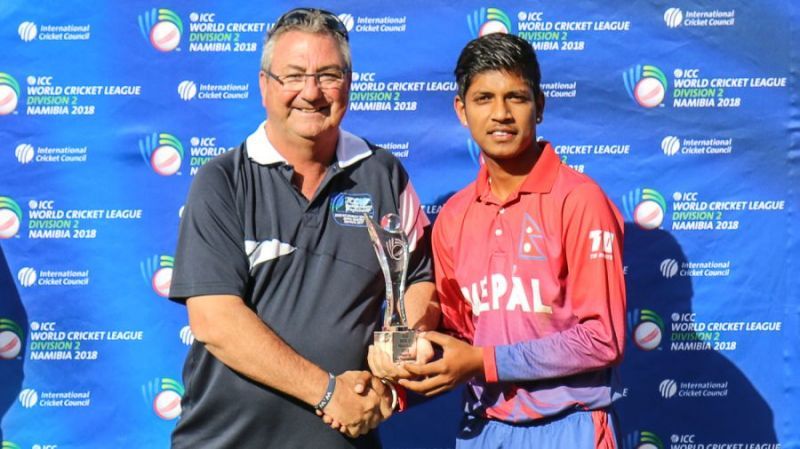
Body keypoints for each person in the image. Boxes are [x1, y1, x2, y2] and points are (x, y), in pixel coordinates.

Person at [168, 8, 435, 449]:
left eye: (328, 75)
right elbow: (215, 321)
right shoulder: (223, 180)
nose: (311, 93)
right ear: (264, 86)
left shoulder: (384, 175)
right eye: (293, 76)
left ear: (348, 83)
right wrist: (331, 394)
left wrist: (393, 370)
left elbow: (418, 283)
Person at [369, 32, 626, 448]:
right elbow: (458, 336)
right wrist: (402, 361)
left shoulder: (579, 200)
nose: (501, 114)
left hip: (568, 427)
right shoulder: (455, 216)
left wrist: (482, 361)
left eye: (516, 98)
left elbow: (603, 339)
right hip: (484, 429)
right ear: (461, 110)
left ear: (539, 106)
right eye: (484, 98)